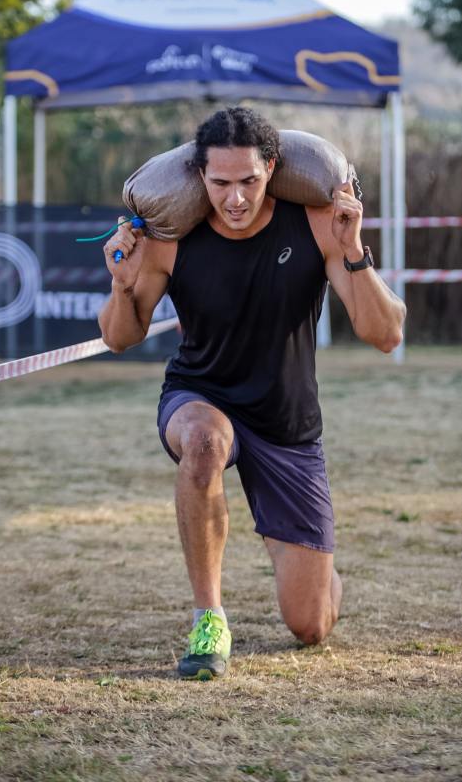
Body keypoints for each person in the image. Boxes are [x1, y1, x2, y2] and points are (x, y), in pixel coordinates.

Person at [99, 108, 405, 681]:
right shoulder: (171, 241)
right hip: (200, 394)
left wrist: (353, 250)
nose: (235, 199)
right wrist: (121, 286)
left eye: (249, 181)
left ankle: (319, 568)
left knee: (310, 624)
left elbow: (385, 335)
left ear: (272, 169)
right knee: (204, 443)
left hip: (286, 422)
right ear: (200, 177)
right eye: (220, 183)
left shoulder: (317, 223)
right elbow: (119, 337)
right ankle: (209, 618)